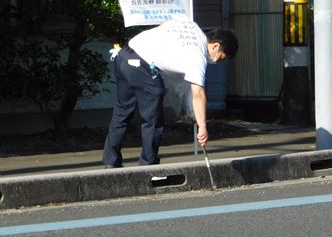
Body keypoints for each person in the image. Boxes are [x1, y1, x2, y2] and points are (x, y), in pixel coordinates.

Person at [102, 18, 239, 167]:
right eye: (221, 57)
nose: (217, 61)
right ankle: (148, 163)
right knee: (153, 117)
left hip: (124, 55)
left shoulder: (191, 25)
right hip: (141, 65)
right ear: (216, 46)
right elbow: (198, 95)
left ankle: (111, 160)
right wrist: (203, 127)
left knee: (122, 111)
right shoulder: (198, 55)